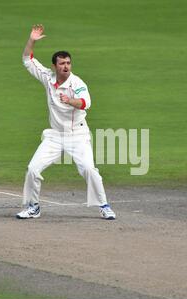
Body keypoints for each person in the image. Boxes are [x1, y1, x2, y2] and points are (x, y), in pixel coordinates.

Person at [16, 24, 116, 220]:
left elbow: (86, 103)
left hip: (77, 135)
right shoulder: (47, 77)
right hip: (54, 136)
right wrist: (32, 40)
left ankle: (104, 205)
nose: (66, 66)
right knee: (33, 169)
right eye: (62, 63)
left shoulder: (77, 83)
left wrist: (70, 100)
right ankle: (33, 206)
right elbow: (27, 60)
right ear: (54, 66)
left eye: (68, 63)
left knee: (88, 169)